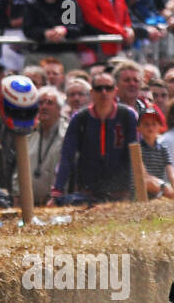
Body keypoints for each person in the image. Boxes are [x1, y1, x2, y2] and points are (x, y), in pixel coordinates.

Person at [50, 68, 138, 203]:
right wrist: (57, 191)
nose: (104, 92)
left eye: (108, 88)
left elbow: (135, 155)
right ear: (92, 92)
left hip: (121, 192)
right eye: (99, 88)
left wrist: (135, 190)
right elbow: (67, 156)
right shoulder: (80, 118)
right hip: (88, 191)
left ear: (115, 91)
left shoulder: (127, 116)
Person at [11, 86, 67, 204]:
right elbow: (19, 167)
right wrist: (17, 194)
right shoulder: (28, 133)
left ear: (59, 108)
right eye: (40, 103)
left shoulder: (67, 134)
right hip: (29, 205)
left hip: (56, 205)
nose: (44, 107)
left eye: (49, 103)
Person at [137, 105, 174, 199]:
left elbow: (170, 171)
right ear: (139, 128)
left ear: (160, 128)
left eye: (154, 124)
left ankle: (169, 193)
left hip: (160, 186)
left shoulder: (163, 146)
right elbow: (143, 175)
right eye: (146, 124)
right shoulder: (137, 147)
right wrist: (163, 185)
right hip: (146, 186)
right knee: (147, 182)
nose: (150, 127)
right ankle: (166, 193)